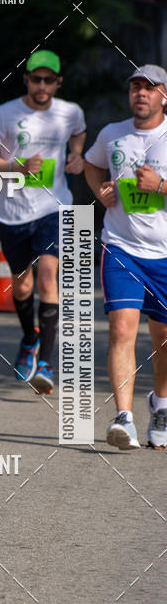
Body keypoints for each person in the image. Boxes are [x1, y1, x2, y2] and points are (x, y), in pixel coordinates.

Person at [0, 50, 87, 394]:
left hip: (53, 208)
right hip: (12, 212)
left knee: (49, 276)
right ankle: (29, 340)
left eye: (48, 80)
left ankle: (47, 362)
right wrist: (16, 169)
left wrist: (77, 154)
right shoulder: (5, 114)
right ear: (26, 80)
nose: (42, 85)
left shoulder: (70, 112)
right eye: (36, 79)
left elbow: (79, 131)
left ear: (58, 82)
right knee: (22, 286)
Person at [84, 64, 167, 450]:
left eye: (149, 88)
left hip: (165, 254)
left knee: (163, 336)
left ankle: (161, 405)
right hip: (121, 247)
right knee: (121, 330)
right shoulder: (112, 134)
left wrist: (161, 185)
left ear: (163, 96)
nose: (141, 94)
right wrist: (99, 192)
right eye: (135, 86)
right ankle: (124, 418)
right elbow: (91, 163)